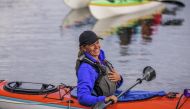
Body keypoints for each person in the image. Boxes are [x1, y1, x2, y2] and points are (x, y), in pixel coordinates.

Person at [75, 30, 123, 106]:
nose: (97, 47)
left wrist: (119, 79)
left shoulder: (102, 60)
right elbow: (82, 98)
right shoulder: (85, 69)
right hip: (101, 102)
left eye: (97, 42)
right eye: (92, 45)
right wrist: (104, 99)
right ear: (83, 48)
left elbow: (108, 86)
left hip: (112, 97)